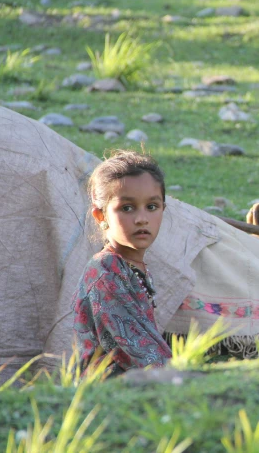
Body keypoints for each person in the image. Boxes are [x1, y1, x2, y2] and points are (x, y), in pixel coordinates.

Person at [72, 150, 172, 374]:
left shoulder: (131, 266)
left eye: (152, 207)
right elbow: (141, 354)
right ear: (101, 216)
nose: (142, 218)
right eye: (127, 208)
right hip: (109, 397)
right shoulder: (107, 274)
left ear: (163, 209)